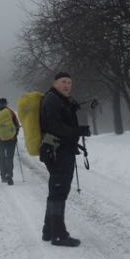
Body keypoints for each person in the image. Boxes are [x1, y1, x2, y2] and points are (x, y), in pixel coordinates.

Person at [39, 71, 90, 247]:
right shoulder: (52, 99)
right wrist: (77, 131)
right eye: (63, 81)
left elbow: (62, 121)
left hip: (60, 149)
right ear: (55, 83)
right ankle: (59, 234)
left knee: (57, 189)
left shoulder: (59, 100)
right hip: (57, 150)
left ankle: (49, 230)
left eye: (69, 82)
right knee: (59, 191)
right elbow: (53, 126)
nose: (67, 85)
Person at [0, 97, 20, 185]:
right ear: (6, 104)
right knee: (9, 158)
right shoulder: (11, 112)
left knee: (2, 157)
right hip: (11, 140)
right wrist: (14, 135)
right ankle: (9, 176)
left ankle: (3, 176)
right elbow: (17, 125)